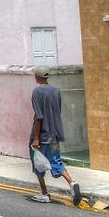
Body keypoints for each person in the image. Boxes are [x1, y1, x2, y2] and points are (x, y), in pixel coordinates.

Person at [29, 66, 81, 206]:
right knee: (56, 161)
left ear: (39, 77)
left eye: (35, 75)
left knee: (38, 163)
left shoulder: (37, 92)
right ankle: (72, 183)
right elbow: (57, 111)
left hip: (42, 133)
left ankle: (44, 193)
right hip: (55, 133)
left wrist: (36, 137)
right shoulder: (56, 91)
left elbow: (39, 116)